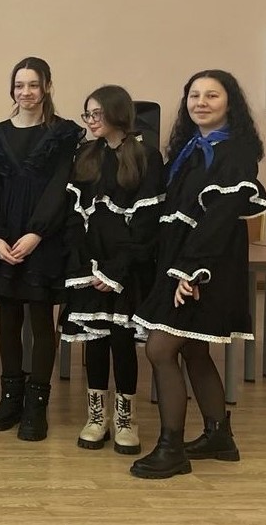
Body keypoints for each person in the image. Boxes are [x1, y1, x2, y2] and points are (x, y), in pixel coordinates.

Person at [130, 70, 264, 479]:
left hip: (206, 266)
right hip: (180, 260)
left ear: (230, 103)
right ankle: (219, 436)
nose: (201, 102)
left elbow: (219, 218)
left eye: (212, 95)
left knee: (160, 349)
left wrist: (191, 271)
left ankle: (171, 448)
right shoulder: (189, 149)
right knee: (193, 350)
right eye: (194, 95)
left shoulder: (235, 151)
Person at [0, 57, 82, 442]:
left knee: (41, 320)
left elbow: (60, 188)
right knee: (8, 319)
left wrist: (37, 233)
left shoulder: (63, 133)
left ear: (47, 86)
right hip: (3, 240)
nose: (26, 92)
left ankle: (37, 406)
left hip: (43, 240)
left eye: (33, 84)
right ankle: (10, 400)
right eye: (19, 85)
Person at [62, 85, 163, 454]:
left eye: (97, 114)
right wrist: (87, 268)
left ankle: (125, 419)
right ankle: (96, 416)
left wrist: (115, 272)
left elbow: (147, 225)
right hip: (89, 268)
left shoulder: (146, 156)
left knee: (122, 343)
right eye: (87, 114)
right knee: (95, 342)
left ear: (117, 113)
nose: (91, 121)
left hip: (126, 271)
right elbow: (74, 218)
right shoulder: (86, 155)